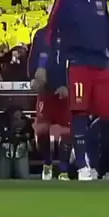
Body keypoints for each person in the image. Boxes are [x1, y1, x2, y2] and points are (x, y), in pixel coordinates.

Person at [46, 0, 109, 181]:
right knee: (79, 113)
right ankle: (82, 166)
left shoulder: (101, 1)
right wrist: (57, 76)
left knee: (108, 115)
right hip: (77, 63)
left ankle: (104, 168)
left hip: (102, 65)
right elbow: (53, 33)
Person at [30, 26, 71, 181]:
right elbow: (33, 58)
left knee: (67, 130)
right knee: (42, 128)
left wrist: (68, 85)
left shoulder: (72, 33)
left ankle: (63, 169)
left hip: (64, 91)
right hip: (45, 90)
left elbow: (75, 62)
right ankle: (47, 165)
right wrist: (32, 78)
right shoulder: (41, 34)